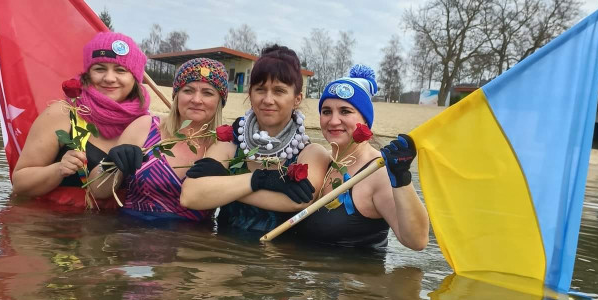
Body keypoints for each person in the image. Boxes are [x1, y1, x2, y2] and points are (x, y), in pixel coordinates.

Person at [180, 45, 327, 232]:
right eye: (260, 89)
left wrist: (223, 185)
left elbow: (297, 201)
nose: (267, 99)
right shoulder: (230, 143)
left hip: (279, 258)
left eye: (279, 91)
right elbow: (190, 195)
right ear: (250, 94)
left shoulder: (311, 153)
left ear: (297, 98)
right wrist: (259, 180)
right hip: (223, 257)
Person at [291, 65, 429, 250]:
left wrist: (402, 178)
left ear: (365, 120)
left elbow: (417, 241)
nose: (333, 120)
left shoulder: (379, 172)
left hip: (356, 276)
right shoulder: (322, 163)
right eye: (326, 111)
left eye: (345, 111)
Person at [11, 31, 150, 206]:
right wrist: (59, 170)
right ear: (87, 74)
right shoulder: (62, 113)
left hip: (120, 229)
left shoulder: (147, 124)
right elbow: (19, 183)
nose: (109, 78)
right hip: (53, 227)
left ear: (135, 78)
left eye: (121, 70)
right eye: (99, 69)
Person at [87, 57, 228, 222]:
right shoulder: (145, 127)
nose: (196, 100)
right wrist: (110, 164)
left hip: (190, 243)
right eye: (188, 90)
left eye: (207, 93)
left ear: (220, 100)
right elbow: (97, 191)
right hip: (129, 237)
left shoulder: (224, 145)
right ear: (177, 95)